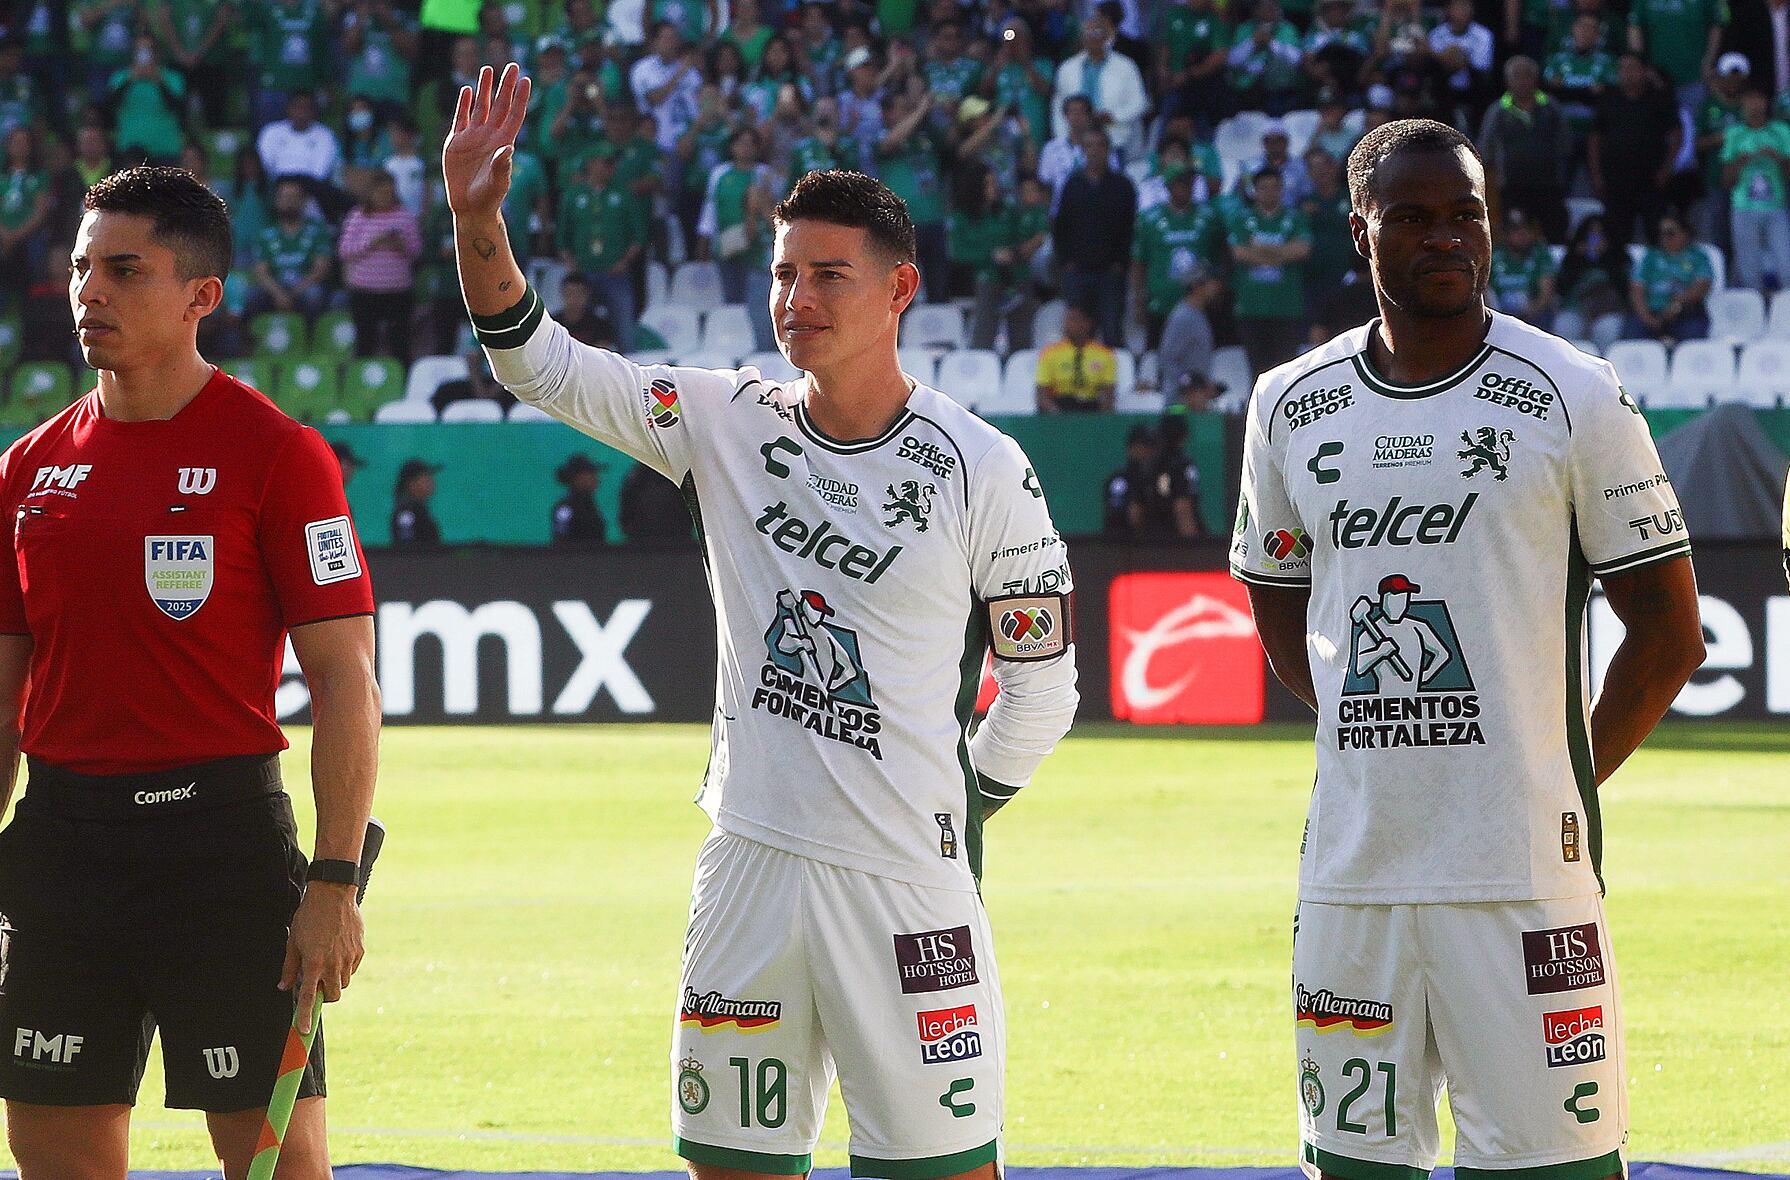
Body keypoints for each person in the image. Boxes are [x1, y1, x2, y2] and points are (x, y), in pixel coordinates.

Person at [447, 64, 1077, 1180]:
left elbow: (1041, 686)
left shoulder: (982, 465)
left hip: (904, 887)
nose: (797, 297)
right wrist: (475, 219)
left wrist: (963, 806)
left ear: (899, 291)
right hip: (745, 866)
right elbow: (533, 360)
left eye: (829, 275)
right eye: (784, 272)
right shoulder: (721, 417)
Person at [1230, 119, 1702, 1180]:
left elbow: (1669, 632)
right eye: (1410, 217)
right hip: (1352, 879)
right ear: (1359, 232)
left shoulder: (1572, 392)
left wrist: (1559, 775)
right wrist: (1375, 735)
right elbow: (1278, 599)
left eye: (1464, 215)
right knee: (1350, 1169)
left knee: (1550, 1170)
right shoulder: (1288, 404)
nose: (1444, 237)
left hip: (1524, 881)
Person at [0, 166, 378, 1177]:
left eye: (125, 270)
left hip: (221, 856)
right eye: (82, 267)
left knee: (276, 1165)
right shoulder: (29, 467)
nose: (90, 292)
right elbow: (4, 691)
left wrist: (334, 880)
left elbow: (345, 680)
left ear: (200, 294)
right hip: (60, 849)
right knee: (53, 1156)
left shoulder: (278, 454)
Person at [1053, 127, 1137, 347]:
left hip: (1111, 272)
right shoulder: (1072, 184)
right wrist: (1066, 262)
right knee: (1078, 335)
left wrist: (1120, 264)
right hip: (1077, 271)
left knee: (1111, 333)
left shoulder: (1123, 186)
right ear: (1083, 150)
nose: (1094, 151)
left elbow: (1129, 228)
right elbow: (1060, 226)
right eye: (1089, 146)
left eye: (1100, 145)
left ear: (1108, 150)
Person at [338, 170, 422, 364]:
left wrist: (401, 246)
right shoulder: (358, 216)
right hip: (364, 291)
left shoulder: (405, 217)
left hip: (398, 291)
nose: (385, 197)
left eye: (389, 193)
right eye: (381, 193)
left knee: (399, 342)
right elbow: (345, 250)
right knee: (365, 342)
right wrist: (372, 242)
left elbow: (417, 250)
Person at [1720, 89, 1790, 292]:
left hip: (1776, 207)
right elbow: (1727, 181)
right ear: (1742, 104)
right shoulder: (1734, 134)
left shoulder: (1781, 131)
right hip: (1743, 208)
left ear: (1766, 103)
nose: (1754, 105)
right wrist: (1739, 163)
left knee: (1786, 262)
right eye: (1749, 99)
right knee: (1749, 267)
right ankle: (1756, 312)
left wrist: (1779, 159)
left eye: (1758, 99)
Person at [1626, 214, 1712, 341]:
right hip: (1651, 312)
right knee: (1633, 335)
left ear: (1685, 233)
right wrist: (1646, 317)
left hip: (1686, 313)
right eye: (1662, 233)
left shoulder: (1698, 256)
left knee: (1693, 335)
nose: (1665, 237)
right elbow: (1637, 289)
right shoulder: (1650, 257)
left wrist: (1677, 304)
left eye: (1670, 233)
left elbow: (1702, 285)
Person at [1035, 304, 1117, 413]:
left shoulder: (1105, 354)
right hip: (1060, 405)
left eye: (1073, 320)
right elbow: (1041, 392)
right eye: (1067, 320)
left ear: (1087, 323)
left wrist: (1098, 419)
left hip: (1090, 406)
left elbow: (1109, 394)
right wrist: (1057, 414)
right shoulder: (1050, 353)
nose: (1067, 325)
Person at [551, 453, 608, 545]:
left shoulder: (590, 505)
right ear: (578, 477)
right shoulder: (565, 508)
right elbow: (561, 540)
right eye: (591, 473)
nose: (596, 478)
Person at [390, 457, 442, 548]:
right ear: (412, 484)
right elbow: (407, 548)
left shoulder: (419, 510)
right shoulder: (406, 513)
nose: (431, 483)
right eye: (426, 479)